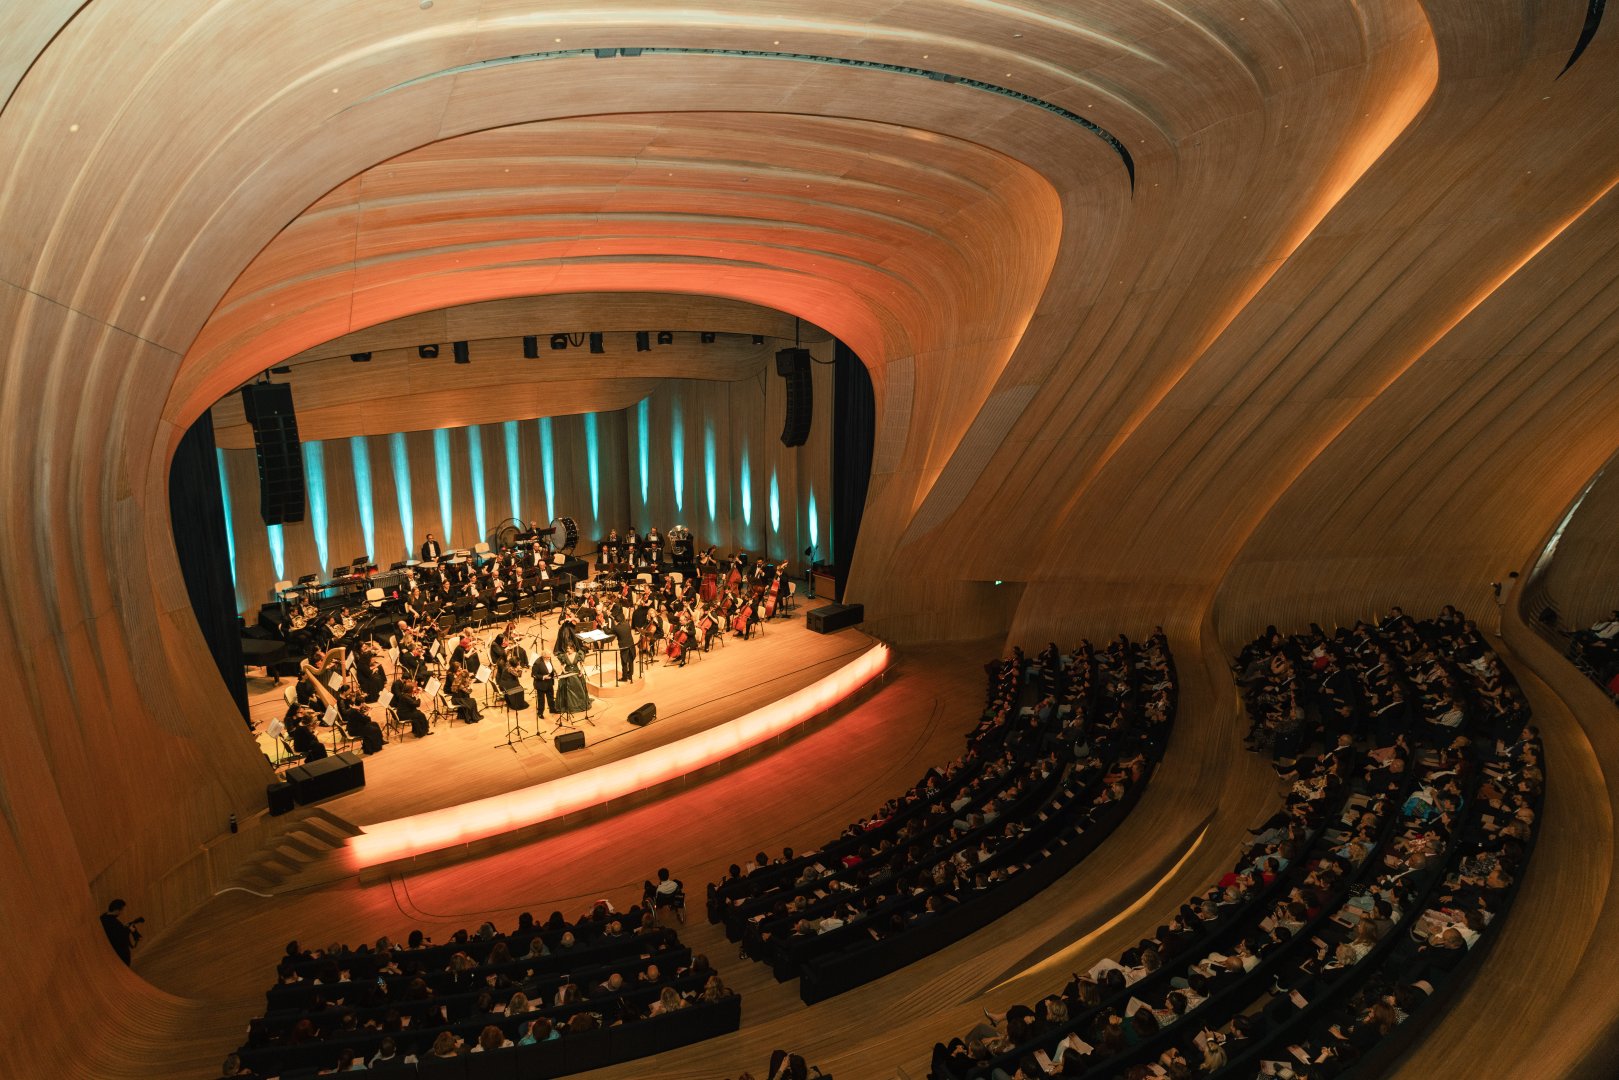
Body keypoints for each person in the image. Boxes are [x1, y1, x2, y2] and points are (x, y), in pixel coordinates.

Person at [100, 899, 142, 966]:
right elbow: (118, 936)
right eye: (122, 910)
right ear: (117, 910)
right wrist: (129, 929)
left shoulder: (103, 918)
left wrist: (124, 928)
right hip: (119, 951)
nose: (122, 912)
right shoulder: (113, 922)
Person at [556, 646, 591, 716]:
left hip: (576, 672)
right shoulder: (564, 655)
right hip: (567, 673)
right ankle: (567, 705)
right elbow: (562, 665)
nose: (568, 650)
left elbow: (581, 664)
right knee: (565, 688)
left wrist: (581, 671)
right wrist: (564, 671)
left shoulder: (578, 654)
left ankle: (579, 704)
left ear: (573, 649)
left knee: (578, 688)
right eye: (567, 648)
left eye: (570, 648)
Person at [531, 651, 556, 716]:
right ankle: (540, 713)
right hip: (541, 684)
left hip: (549, 682)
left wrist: (554, 673)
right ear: (543, 657)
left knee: (551, 697)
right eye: (547, 657)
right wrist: (543, 677)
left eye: (549, 657)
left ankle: (552, 709)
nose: (549, 658)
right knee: (541, 699)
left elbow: (550, 668)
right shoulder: (537, 663)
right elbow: (533, 674)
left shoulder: (548, 659)